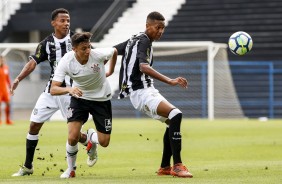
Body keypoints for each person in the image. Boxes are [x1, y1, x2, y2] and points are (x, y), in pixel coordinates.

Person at [11, 8, 92, 177]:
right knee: (33, 125)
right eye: (62, 20)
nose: (66, 23)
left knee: (74, 134)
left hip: (71, 93)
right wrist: (18, 79)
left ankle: (88, 143)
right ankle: (28, 166)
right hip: (51, 91)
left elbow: (93, 55)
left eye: (68, 20)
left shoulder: (76, 40)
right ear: (53, 23)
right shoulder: (46, 44)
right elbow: (33, 63)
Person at [114, 11, 193, 178]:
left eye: (163, 28)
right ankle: (177, 166)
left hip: (141, 91)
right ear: (147, 26)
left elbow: (114, 50)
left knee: (172, 120)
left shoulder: (134, 39)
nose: (161, 31)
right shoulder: (144, 41)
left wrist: (107, 67)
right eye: (158, 28)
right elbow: (143, 67)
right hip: (142, 92)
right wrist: (170, 81)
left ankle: (165, 167)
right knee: (176, 114)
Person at [50, 32, 117, 178]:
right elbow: (53, 89)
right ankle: (70, 170)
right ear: (74, 49)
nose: (88, 51)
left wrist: (110, 70)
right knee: (72, 136)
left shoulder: (97, 54)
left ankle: (92, 138)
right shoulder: (66, 61)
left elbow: (114, 51)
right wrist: (69, 89)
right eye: (83, 49)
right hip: (79, 98)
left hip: (101, 99)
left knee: (104, 142)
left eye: (89, 47)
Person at [0, 55, 13, 125]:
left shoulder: (6, 68)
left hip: (4, 89)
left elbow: (8, 79)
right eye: (1, 60)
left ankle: (8, 120)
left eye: (3, 60)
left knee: (8, 104)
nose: (2, 61)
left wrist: (10, 87)